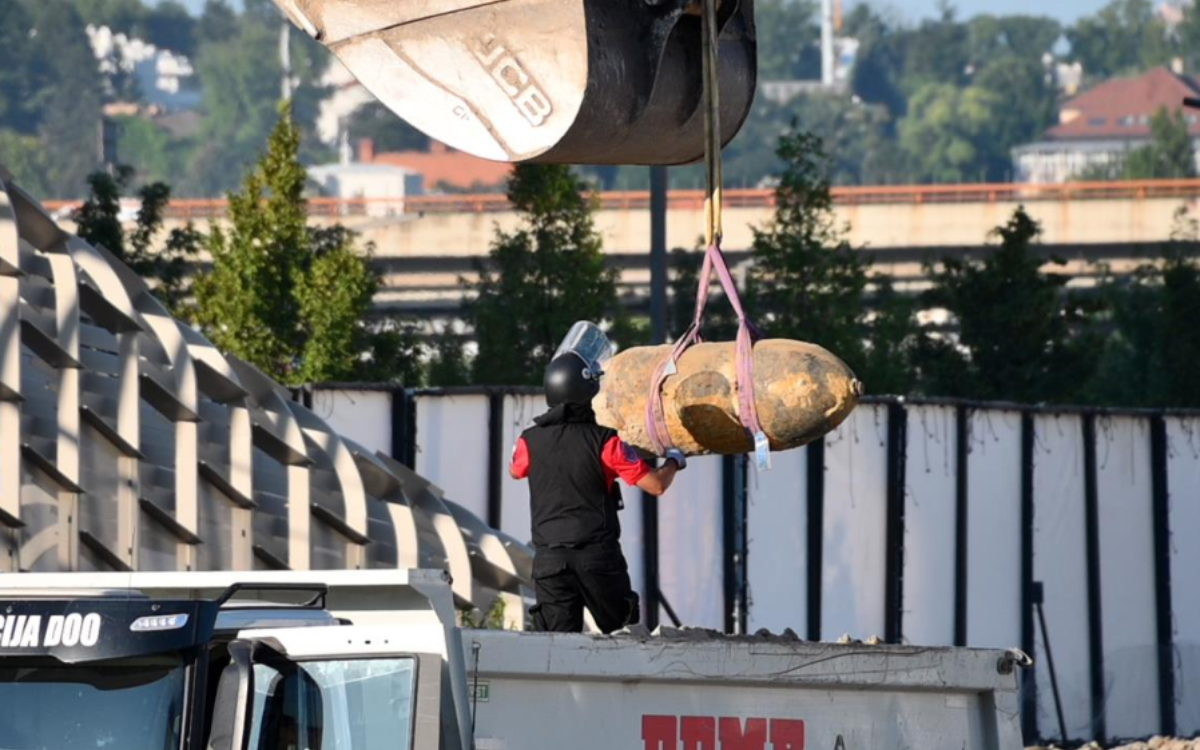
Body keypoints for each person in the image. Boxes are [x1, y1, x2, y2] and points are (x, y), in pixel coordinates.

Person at [510, 322, 687, 634]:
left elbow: (516, 470)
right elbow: (656, 485)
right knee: (621, 638)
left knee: (554, 646)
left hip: (550, 563)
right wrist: (674, 461)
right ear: (586, 391)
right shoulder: (606, 442)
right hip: (596, 560)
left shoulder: (529, 441)